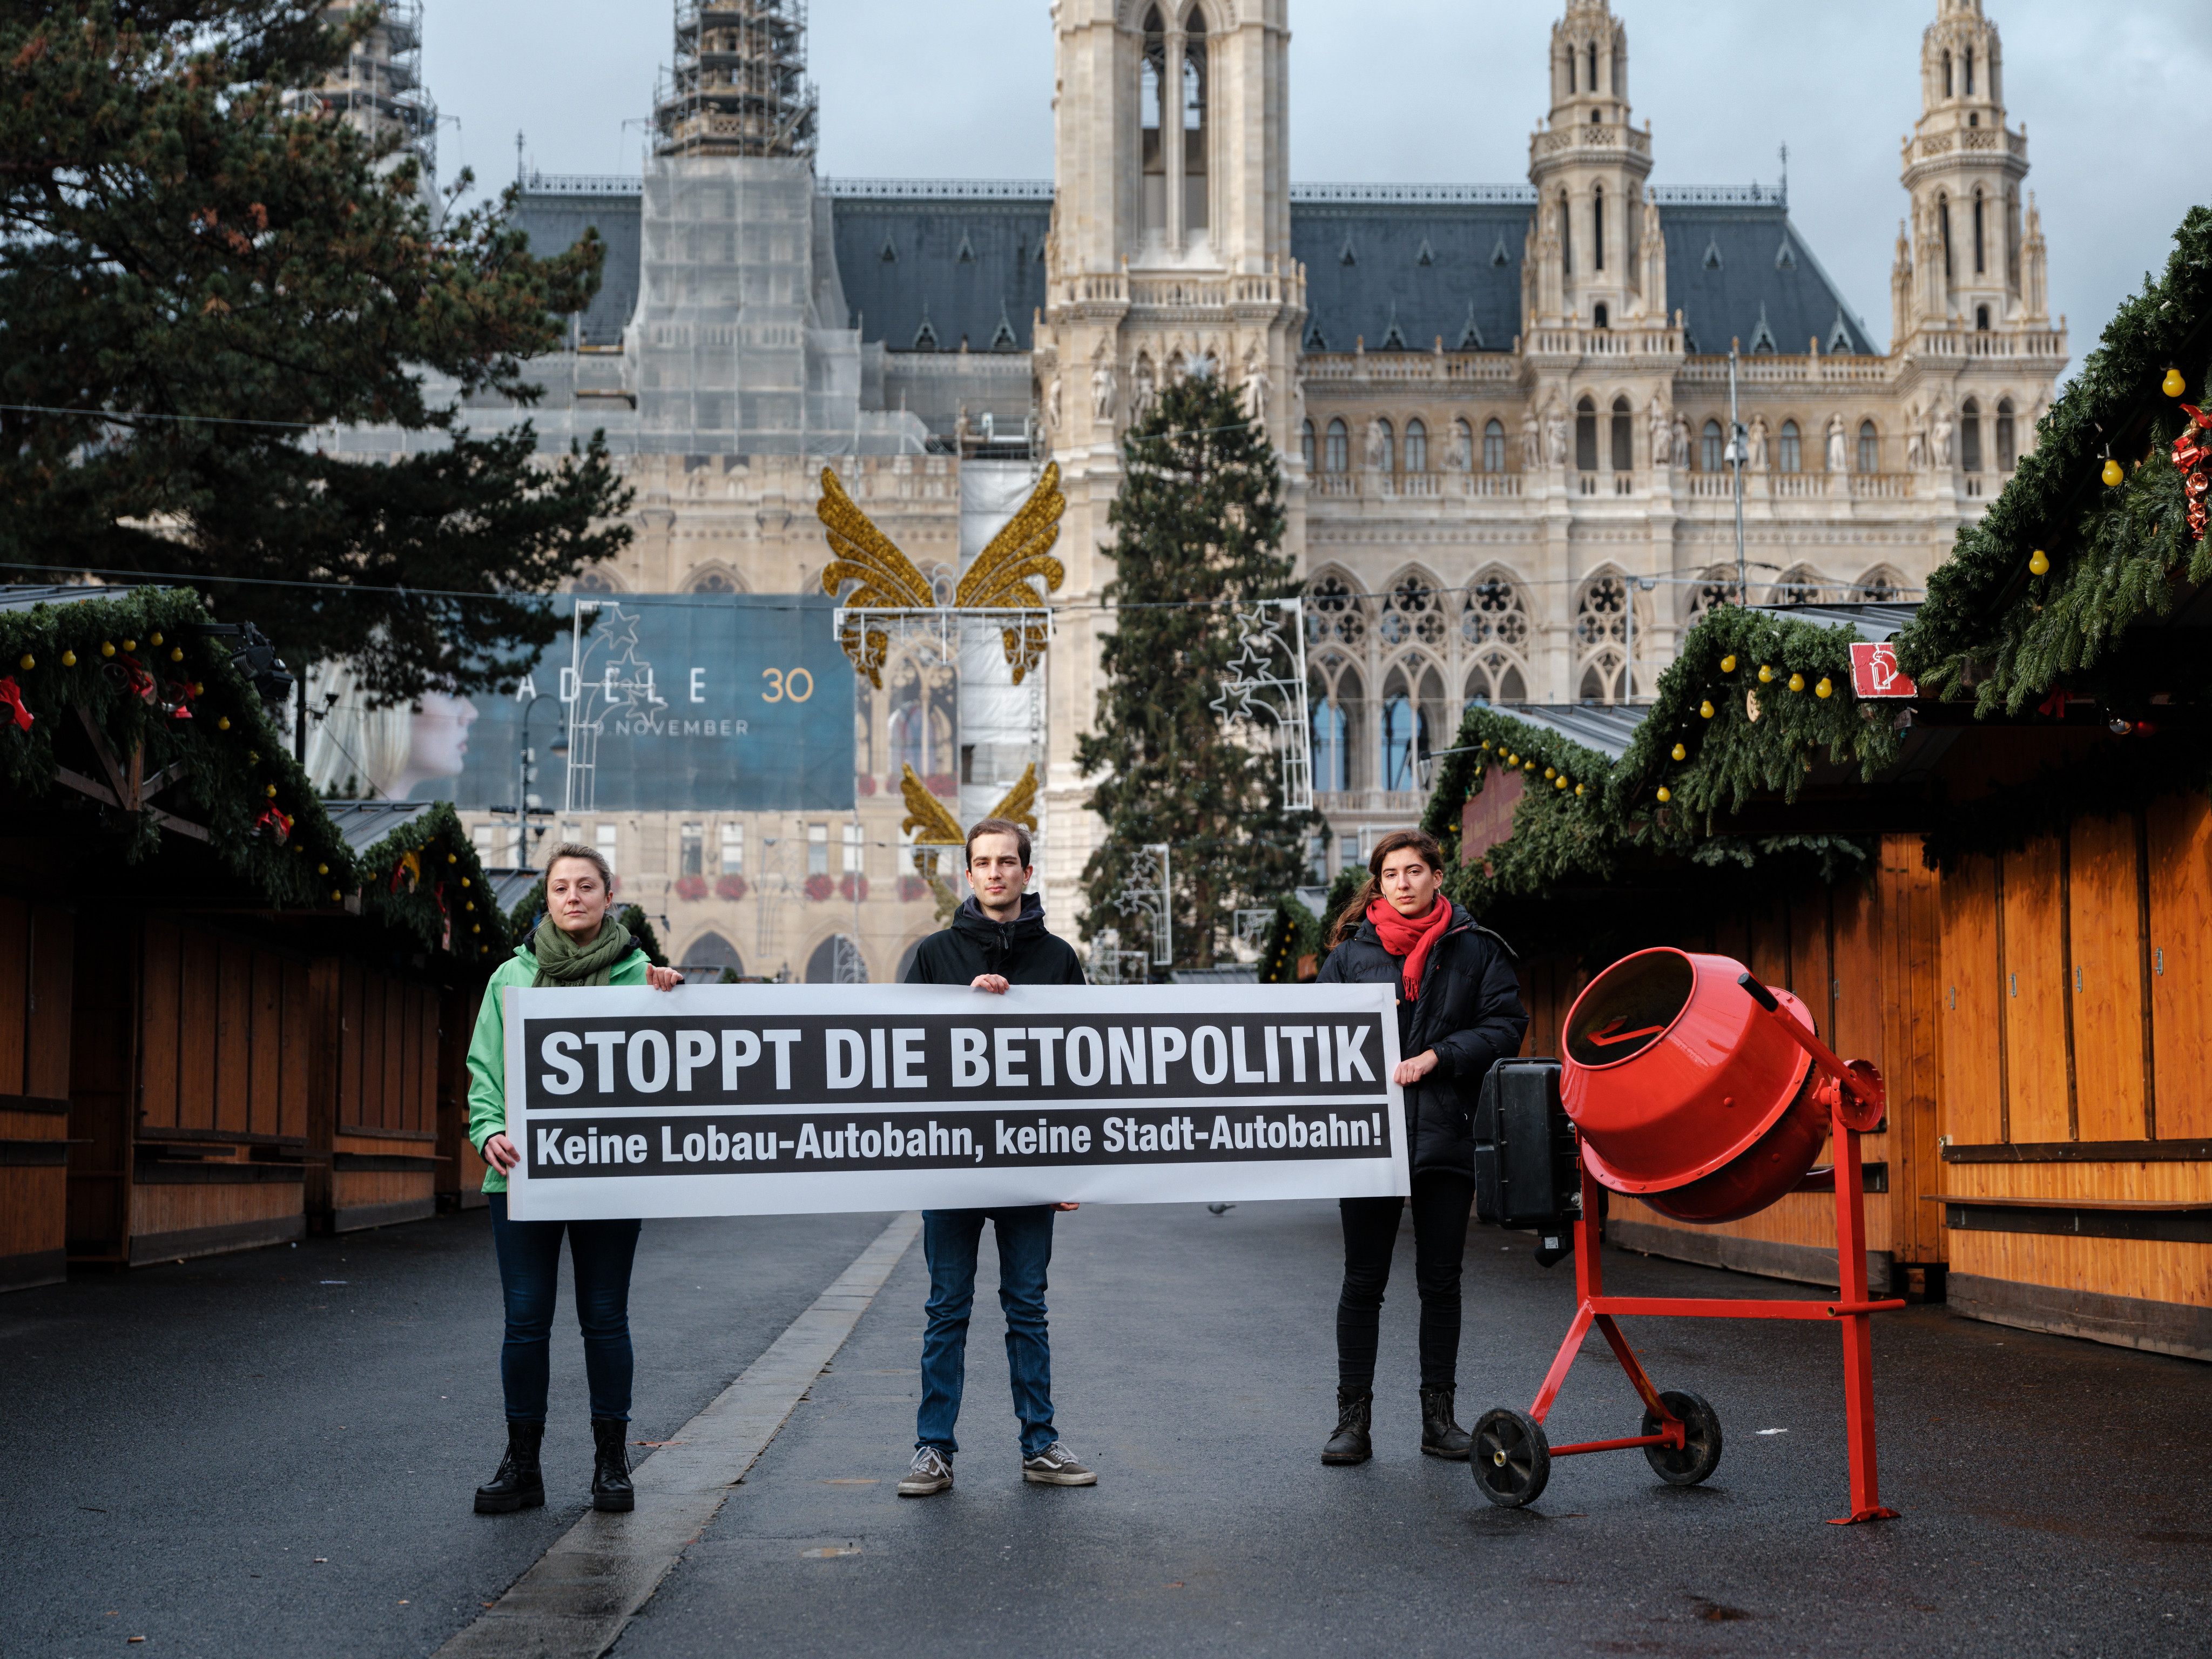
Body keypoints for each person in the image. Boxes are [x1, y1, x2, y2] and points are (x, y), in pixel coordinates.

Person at [465, 844, 684, 1516]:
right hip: (522, 1176)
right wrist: (488, 1131)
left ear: (609, 895)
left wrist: (676, 999)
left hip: (609, 1179)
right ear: (547, 899)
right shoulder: (511, 978)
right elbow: (485, 1069)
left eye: (586, 886)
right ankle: (522, 1466)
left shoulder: (643, 978)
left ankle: (611, 1465)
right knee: (526, 1321)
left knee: (605, 1318)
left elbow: (679, 1062)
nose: (573, 897)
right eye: (561, 887)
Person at [894, 817, 1094, 1499]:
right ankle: (932, 1449)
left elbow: (1080, 1065)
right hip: (953, 1162)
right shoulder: (934, 955)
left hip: (1029, 1161)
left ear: (1026, 873)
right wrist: (963, 1013)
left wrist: (1072, 1167)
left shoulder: (1058, 958)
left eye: (1007, 862)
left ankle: (1040, 1445)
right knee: (946, 1309)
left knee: (1027, 1308)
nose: (995, 873)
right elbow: (901, 1053)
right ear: (969, 874)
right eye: (983, 863)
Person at [1316, 828, 1528, 1465]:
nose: (1402, 883)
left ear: (1437, 876)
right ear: (1377, 884)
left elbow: (1505, 1026)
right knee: (1362, 1280)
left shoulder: (1476, 949)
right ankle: (1352, 1422)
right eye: (1390, 874)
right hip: (1368, 1139)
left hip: (1445, 1131)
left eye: (1413, 871)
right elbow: (1313, 1035)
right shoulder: (1350, 956)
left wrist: (1439, 1055)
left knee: (1440, 1282)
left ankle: (1440, 1421)